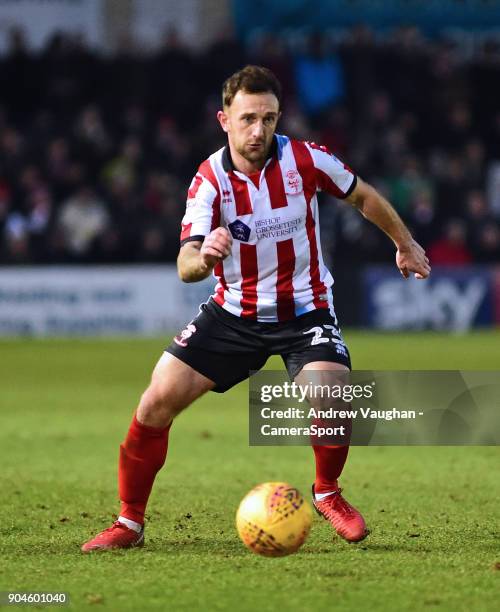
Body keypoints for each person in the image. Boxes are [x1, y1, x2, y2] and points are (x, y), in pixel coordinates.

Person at [82, 65, 430, 553]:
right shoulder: (208, 181)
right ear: (224, 119)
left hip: (305, 311)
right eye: (247, 118)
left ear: (278, 117)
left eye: (268, 118)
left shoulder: (306, 159)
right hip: (233, 315)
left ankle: (327, 492)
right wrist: (204, 256)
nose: (258, 130)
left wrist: (405, 243)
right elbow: (185, 264)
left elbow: (363, 195)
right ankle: (129, 522)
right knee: (155, 402)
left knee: (333, 397)